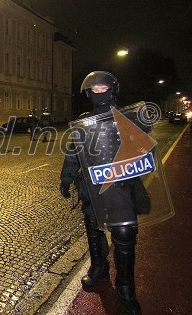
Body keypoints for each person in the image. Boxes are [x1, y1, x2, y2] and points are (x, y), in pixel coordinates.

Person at [60, 71, 142, 315]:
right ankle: (99, 269)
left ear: (113, 89)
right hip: (91, 187)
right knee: (94, 230)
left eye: (103, 88)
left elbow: (142, 149)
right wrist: (66, 177)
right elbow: (73, 152)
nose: (99, 93)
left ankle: (125, 286)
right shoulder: (83, 121)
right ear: (89, 94)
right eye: (94, 90)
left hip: (120, 188)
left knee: (124, 234)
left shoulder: (127, 117)